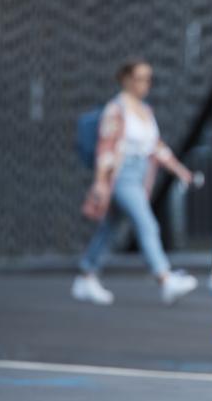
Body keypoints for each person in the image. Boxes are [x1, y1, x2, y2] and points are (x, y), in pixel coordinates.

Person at [73, 59, 198, 305]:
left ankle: (86, 274)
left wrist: (180, 170)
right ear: (127, 79)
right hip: (122, 175)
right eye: (141, 78)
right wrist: (100, 181)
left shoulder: (145, 111)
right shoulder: (116, 109)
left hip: (141, 174)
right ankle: (164, 277)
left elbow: (156, 147)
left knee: (110, 227)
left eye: (149, 79)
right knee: (147, 223)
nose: (146, 84)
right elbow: (105, 147)